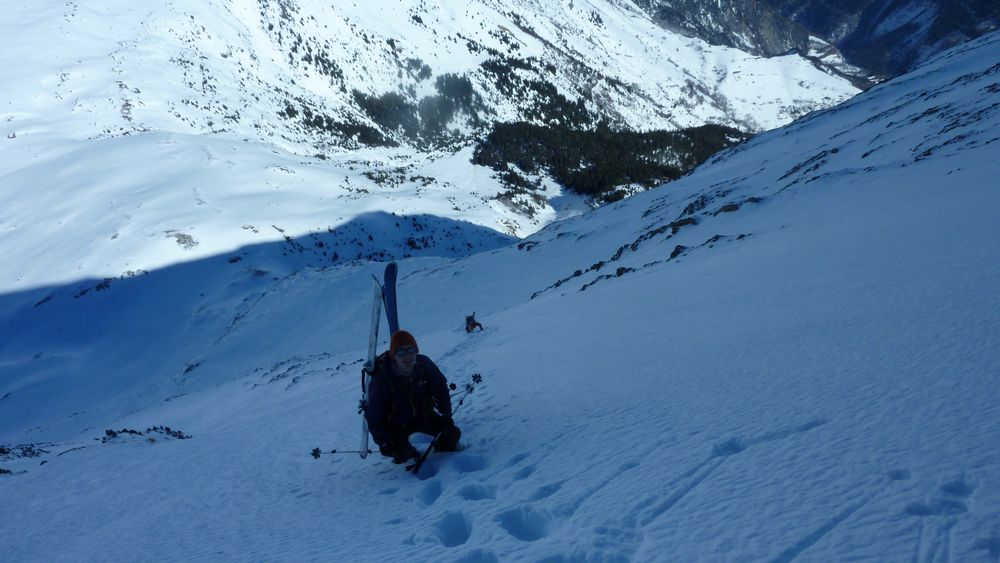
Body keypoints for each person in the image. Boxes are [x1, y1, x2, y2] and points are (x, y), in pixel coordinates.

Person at [365, 330, 462, 463]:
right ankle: (409, 454)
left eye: (411, 350)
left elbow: (441, 389)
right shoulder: (383, 378)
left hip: (424, 415)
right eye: (401, 352)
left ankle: (440, 458)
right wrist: (384, 442)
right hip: (397, 423)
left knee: (451, 434)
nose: (407, 356)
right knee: (401, 453)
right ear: (394, 355)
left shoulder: (424, 365)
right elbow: (373, 417)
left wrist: (446, 415)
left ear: (416, 351)